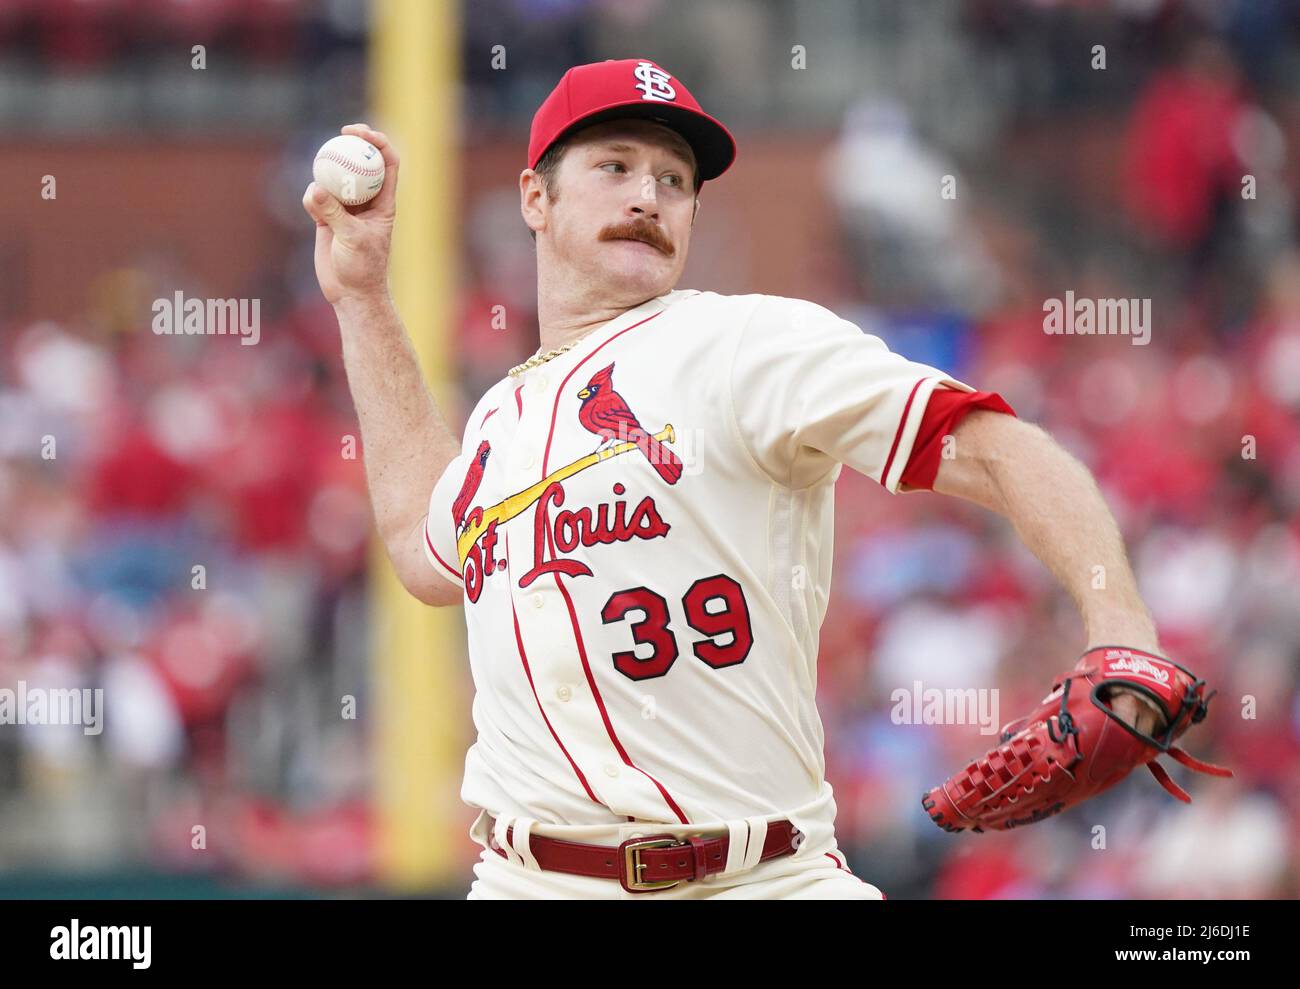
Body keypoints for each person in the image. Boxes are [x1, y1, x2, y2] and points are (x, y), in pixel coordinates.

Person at [302, 58, 1166, 900]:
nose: (648, 196)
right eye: (615, 166)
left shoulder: (749, 345)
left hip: (762, 873)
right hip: (528, 877)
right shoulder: (498, 418)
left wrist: (1118, 621)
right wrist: (363, 296)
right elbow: (423, 546)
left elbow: (993, 444)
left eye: (674, 180)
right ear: (536, 197)